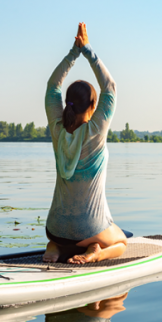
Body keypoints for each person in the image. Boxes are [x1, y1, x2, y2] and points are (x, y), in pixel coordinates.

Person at [43, 23, 127, 264]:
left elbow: (52, 86)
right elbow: (110, 87)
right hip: (89, 229)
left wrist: (74, 53)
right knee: (122, 241)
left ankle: (54, 247)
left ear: (67, 104)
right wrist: (88, 49)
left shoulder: (57, 129)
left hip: (54, 228)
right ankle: (96, 252)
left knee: (64, 238)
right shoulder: (95, 131)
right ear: (92, 107)